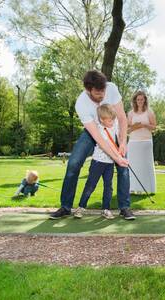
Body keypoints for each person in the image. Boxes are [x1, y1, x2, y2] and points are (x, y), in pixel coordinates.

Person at [50, 70, 136, 220]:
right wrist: (116, 157)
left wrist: (122, 142)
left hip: (114, 130)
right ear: (88, 90)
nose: (101, 96)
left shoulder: (112, 88)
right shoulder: (81, 103)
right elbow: (98, 138)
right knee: (74, 163)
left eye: (103, 92)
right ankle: (65, 206)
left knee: (123, 167)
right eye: (97, 94)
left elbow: (122, 118)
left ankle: (124, 207)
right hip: (94, 131)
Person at [74, 105, 119, 219]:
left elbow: (122, 127)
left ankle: (106, 209)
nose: (112, 121)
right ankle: (81, 207)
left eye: (113, 119)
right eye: (109, 120)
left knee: (108, 186)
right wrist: (119, 158)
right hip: (98, 162)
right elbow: (107, 146)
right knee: (90, 185)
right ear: (102, 120)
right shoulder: (98, 129)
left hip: (109, 163)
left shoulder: (114, 126)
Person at [127, 91, 157, 194]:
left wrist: (144, 125)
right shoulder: (130, 113)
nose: (140, 101)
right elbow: (127, 130)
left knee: (145, 166)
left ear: (145, 100)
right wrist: (134, 127)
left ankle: (145, 189)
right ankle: (132, 188)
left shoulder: (149, 112)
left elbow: (154, 127)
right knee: (134, 166)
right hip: (133, 142)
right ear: (135, 100)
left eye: (142, 99)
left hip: (146, 142)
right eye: (138, 99)